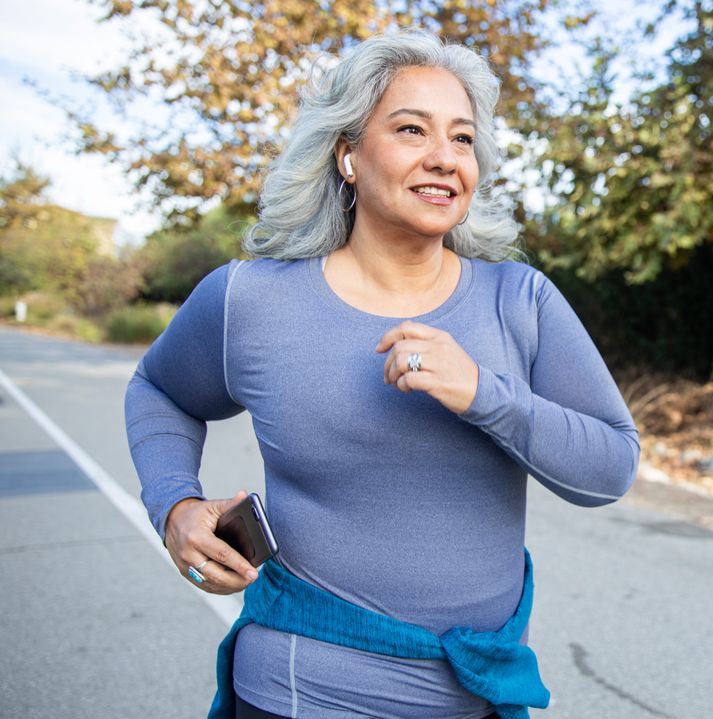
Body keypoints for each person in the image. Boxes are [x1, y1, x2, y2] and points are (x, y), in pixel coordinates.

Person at [124, 30, 639, 719]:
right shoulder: (251, 299)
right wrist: (175, 504)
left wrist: (486, 394)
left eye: (462, 139)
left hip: (475, 699)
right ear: (347, 155)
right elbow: (158, 389)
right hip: (302, 694)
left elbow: (611, 467)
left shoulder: (521, 299)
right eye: (410, 129)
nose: (444, 158)